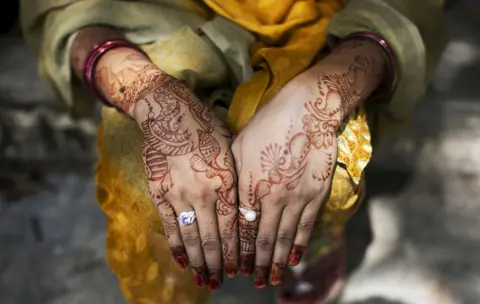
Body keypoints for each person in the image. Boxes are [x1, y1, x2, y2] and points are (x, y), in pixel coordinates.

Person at [20, 0, 447, 303]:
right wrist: (154, 98)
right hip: (158, 16)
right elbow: (61, 8)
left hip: (325, 19)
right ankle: (203, 255)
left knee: (320, 175)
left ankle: (311, 235)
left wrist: (325, 94)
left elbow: (407, 7)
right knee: (148, 182)